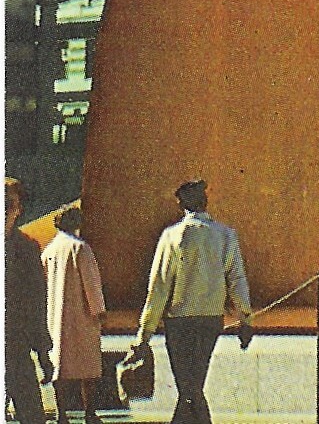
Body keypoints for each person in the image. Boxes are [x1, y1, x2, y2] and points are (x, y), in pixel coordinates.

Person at [133, 179, 252, 424]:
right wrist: (245, 319)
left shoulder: (172, 236)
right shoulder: (225, 235)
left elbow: (159, 286)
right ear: (204, 201)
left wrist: (144, 333)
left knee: (188, 387)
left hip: (179, 322)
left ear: (181, 204)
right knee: (193, 385)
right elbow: (236, 279)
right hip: (211, 320)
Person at [42, 205, 105, 424]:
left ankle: (62, 414)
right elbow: (92, 284)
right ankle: (90, 413)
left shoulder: (49, 251)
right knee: (88, 366)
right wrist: (99, 311)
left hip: (56, 316)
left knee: (59, 365)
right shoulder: (81, 248)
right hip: (82, 315)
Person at [5, 177, 53, 424]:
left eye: (8, 205)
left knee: (32, 416)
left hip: (16, 351)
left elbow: (36, 304)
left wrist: (43, 352)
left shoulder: (26, 249)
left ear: (18, 209)